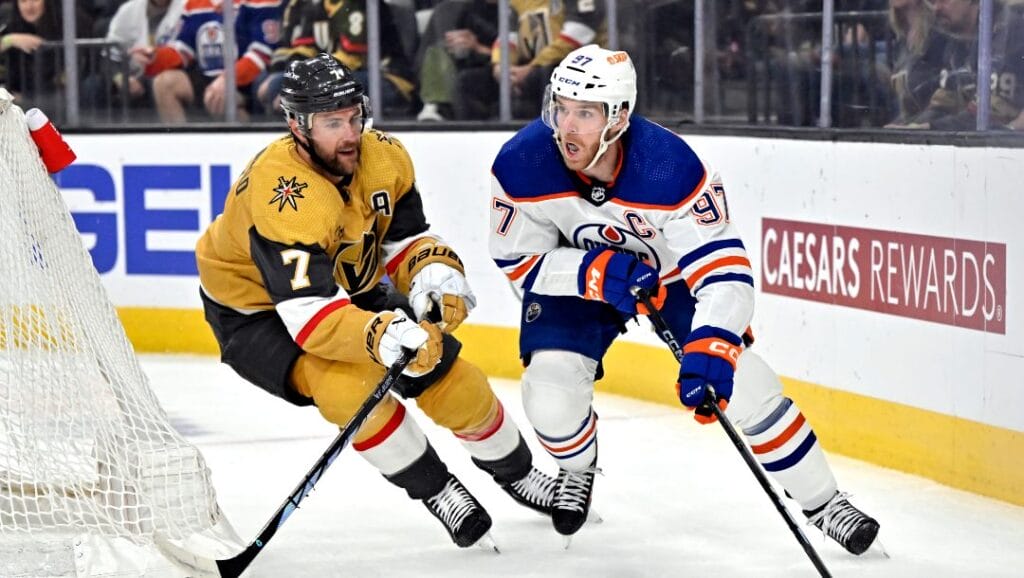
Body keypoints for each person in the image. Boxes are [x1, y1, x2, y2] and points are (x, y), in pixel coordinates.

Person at [488, 44, 882, 554]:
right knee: (550, 396)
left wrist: (713, 342)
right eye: (560, 107)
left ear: (620, 116)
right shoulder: (522, 163)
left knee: (745, 384)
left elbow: (724, 270)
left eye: (585, 113)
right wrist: (591, 270)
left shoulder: (669, 167)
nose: (566, 126)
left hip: (669, 276)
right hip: (577, 279)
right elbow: (518, 261)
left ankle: (825, 502)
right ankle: (576, 469)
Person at [196, 53, 557, 549]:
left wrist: (434, 272)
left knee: (450, 376)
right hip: (255, 312)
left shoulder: (383, 156)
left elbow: (403, 241)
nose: (349, 134)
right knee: (347, 387)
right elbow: (309, 317)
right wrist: (382, 333)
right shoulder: (283, 195)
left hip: (346, 285)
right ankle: (438, 490)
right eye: (331, 122)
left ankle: (517, 473)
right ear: (296, 126)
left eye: (353, 116)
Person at [256, 0, 417, 119]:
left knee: (303, 94)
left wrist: (305, 85)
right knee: (276, 85)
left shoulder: (360, 5)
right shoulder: (317, 6)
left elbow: (351, 60)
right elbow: (305, 50)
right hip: (337, 75)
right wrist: (291, 78)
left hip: (385, 79)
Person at [455, 0, 606, 120]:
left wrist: (532, 67)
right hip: (530, 68)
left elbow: (578, 33)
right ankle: (476, 139)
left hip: (581, 68)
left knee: (545, 77)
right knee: (468, 82)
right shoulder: (515, 3)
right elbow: (509, 37)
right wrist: (501, 65)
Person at [146, 0, 284, 123]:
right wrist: (153, 57)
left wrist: (228, 79)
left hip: (246, 81)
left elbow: (262, 53)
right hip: (208, 78)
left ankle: (243, 149)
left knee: (220, 99)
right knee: (164, 84)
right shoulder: (194, 4)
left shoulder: (262, 1)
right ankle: (179, 147)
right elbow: (182, 50)